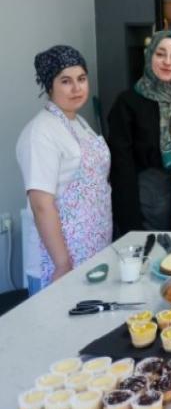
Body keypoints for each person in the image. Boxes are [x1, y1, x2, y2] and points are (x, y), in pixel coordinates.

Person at [16, 45, 112, 293]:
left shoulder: (79, 122)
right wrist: (61, 263)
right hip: (60, 263)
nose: (77, 88)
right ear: (50, 86)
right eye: (66, 81)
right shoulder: (40, 133)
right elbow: (41, 204)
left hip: (92, 251)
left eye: (81, 79)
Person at [108, 30, 171, 234]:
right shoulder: (127, 103)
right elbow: (121, 167)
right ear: (149, 56)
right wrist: (129, 221)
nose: (168, 62)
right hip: (144, 201)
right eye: (160, 54)